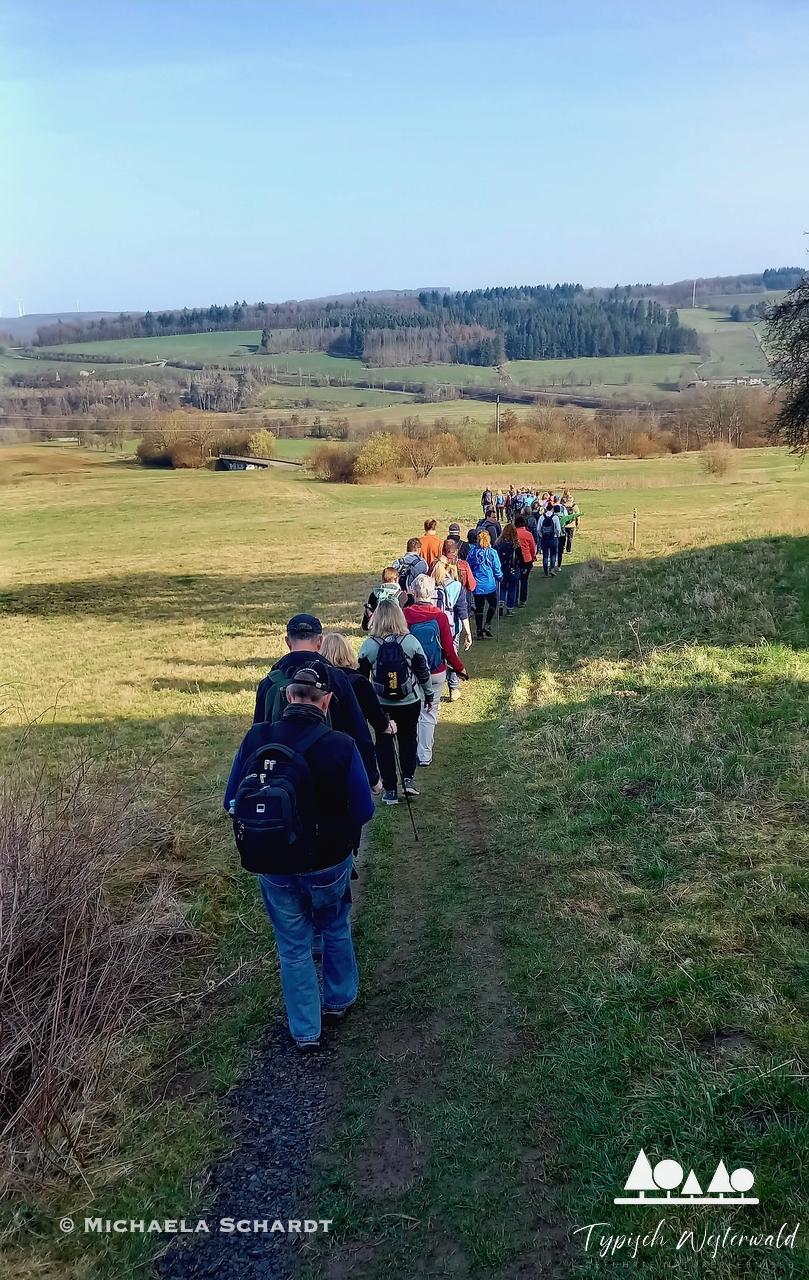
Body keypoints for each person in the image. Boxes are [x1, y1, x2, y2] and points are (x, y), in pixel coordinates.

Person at [225, 667, 375, 1053]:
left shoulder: (256, 737)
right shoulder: (341, 745)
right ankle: (338, 1000)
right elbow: (364, 809)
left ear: (288, 697)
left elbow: (231, 801)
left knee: (292, 946)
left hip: (273, 862)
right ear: (325, 703)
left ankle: (305, 1030)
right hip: (328, 861)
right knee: (335, 924)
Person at [254, 614, 382, 791]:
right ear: (320, 642)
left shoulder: (269, 682)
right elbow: (357, 729)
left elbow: (258, 734)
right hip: (329, 773)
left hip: (281, 778)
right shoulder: (336, 678)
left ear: (287, 641)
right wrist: (372, 777)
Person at [358, 599, 433, 806]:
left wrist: (365, 706)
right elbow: (423, 672)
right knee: (408, 739)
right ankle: (408, 780)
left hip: (381, 705)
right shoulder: (411, 642)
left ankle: (390, 790)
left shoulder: (369, 645)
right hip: (409, 702)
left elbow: (362, 679)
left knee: (383, 744)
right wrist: (429, 695)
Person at [403, 574, 467, 763]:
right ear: (432, 593)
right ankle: (425, 754)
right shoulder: (440, 617)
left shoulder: (405, 615)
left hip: (411, 671)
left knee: (413, 709)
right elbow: (448, 649)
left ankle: (412, 750)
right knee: (430, 711)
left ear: (414, 591)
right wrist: (460, 669)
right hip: (436, 671)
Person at [320, 632, 395, 750]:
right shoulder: (360, 682)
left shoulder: (319, 680)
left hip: (325, 742)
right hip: (355, 743)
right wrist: (388, 726)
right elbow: (376, 716)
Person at [431, 558, 471, 701]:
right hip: (451, 628)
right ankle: (453, 688)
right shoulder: (456, 586)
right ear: (449, 569)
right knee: (452, 655)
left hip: (432, 629)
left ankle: (435, 691)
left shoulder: (427, 584)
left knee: (435, 659)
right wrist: (468, 632)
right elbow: (462, 611)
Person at [466, 530, 502, 638]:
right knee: (493, 603)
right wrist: (499, 576)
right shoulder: (492, 552)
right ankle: (487, 623)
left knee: (479, 607)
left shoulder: (472, 552)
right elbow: (496, 567)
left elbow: (469, 567)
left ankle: (479, 630)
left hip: (477, 585)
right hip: (489, 584)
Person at [362, 566, 406, 631]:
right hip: (397, 630)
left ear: (383, 579)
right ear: (396, 579)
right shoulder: (402, 595)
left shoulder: (374, 595)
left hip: (379, 631)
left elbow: (365, 626)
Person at [495, 525, 521, 616]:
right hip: (513, 568)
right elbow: (520, 558)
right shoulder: (516, 545)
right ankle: (509, 609)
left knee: (502, 587)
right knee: (512, 589)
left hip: (502, 568)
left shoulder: (499, 544)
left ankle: (501, 602)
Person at [513, 515, 537, 607]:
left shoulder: (513, 534)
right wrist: (533, 557)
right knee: (524, 581)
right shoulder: (528, 534)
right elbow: (532, 547)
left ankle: (514, 599)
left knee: (515, 581)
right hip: (527, 559)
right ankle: (523, 600)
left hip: (515, 559)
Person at [538, 506, 561, 577]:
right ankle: (552, 568)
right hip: (553, 538)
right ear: (552, 509)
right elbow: (558, 529)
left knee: (545, 555)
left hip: (544, 538)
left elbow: (538, 529)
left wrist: (541, 535)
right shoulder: (555, 517)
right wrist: (557, 535)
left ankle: (545, 571)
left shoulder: (542, 517)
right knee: (553, 554)